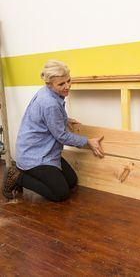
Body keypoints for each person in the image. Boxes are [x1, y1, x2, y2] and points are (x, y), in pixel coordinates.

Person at [1, 60, 104, 201]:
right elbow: (62, 136)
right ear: (49, 84)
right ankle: (18, 176)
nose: (67, 86)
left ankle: (26, 173)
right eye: (61, 84)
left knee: (71, 181)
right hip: (34, 155)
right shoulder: (49, 103)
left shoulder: (47, 92)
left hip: (46, 150)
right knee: (61, 193)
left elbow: (46, 118)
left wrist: (64, 119)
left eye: (68, 81)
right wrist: (87, 141)